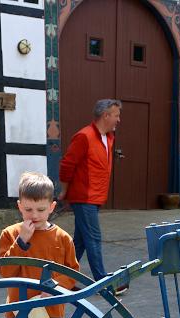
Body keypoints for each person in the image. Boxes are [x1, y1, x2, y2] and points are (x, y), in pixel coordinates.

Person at [0, 172, 80, 318]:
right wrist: (22, 242)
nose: (34, 215)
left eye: (41, 209)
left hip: (51, 309)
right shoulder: (10, 234)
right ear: (19, 206)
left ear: (52, 207)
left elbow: (72, 273)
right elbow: (5, 271)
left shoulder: (62, 238)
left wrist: (54, 288)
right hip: (20, 308)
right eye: (28, 209)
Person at [58, 99, 124, 291]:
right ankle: (103, 283)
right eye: (116, 115)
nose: (118, 120)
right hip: (84, 198)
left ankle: (62, 280)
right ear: (106, 115)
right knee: (93, 238)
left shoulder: (108, 137)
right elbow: (66, 165)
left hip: (94, 197)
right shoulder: (84, 136)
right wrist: (64, 190)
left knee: (80, 241)